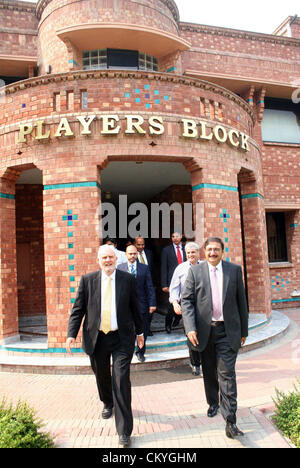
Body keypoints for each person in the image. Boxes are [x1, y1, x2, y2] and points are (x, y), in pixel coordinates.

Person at [66, 245, 144, 448]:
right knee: (101, 375)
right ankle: (107, 401)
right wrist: (70, 335)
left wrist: (140, 332)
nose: (108, 261)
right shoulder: (88, 280)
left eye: (111, 257)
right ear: (98, 260)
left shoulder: (128, 280)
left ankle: (124, 432)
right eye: (104, 258)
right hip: (97, 339)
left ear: (116, 259)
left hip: (121, 338)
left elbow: (136, 308)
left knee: (120, 380)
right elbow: (78, 310)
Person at [181, 237, 248, 439]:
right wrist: (190, 328)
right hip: (204, 332)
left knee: (227, 374)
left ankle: (230, 421)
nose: (212, 253)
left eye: (216, 249)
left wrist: (243, 331)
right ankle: (213, 402)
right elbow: (186, 300)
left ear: (222, 251)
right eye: (209, 249)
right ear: (204, 251)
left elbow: (241, 302)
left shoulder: (234, 271)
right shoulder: (195, 272)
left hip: (228, 332)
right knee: (210, 372)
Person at [169, 242, 202, 376]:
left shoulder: (205, 266)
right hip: (187, 306)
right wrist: (175, 303)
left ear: (198, 253)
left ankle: (206, 362)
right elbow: (174, 288)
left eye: (193, 252)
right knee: (191, 334)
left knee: (205, 334)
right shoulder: (180, 268)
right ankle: (195, 364)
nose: (190, 255)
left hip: (204, 306)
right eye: (188, 253)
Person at [118, 244, 156, 362]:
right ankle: (127, 352)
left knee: (143, 329)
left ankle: (140, 352)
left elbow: (149, 286)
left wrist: (152, 303)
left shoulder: (144, 268)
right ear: (126, 254)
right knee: (127, 330)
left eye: (134, 253)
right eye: (130, 253)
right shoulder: (120, 267)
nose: (132, 256)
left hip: (142, 304)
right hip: (125, 306)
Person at [161, 232, 187, 333]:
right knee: (171, 305)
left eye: (177, 236)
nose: (175, 238)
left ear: (181, 237)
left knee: (185, 303)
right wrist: (164, 284)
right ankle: (168, 325)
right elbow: (163, 267)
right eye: (173, 237)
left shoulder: (186, 249)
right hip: (172, 281)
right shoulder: (166, 250)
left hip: (185, 280)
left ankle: (179, 319)